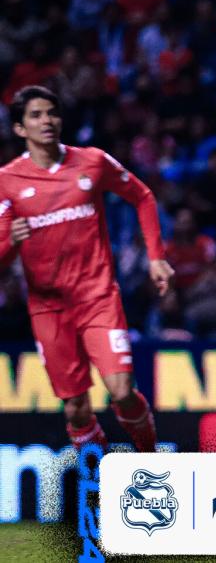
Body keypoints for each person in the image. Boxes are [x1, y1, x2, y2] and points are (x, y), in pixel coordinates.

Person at [0, 86, 175, 452]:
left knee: (122, 391)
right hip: (49, 309)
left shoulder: (92, 162)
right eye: (35, 115)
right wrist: (10, 241)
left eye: (51, 112)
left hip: (98, 298)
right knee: (77, 409)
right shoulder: (7, 182)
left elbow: (141, 195)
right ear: (19, 129)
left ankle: (153, 460)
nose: (46, 121)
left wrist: (155, 256)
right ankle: (99, 486)